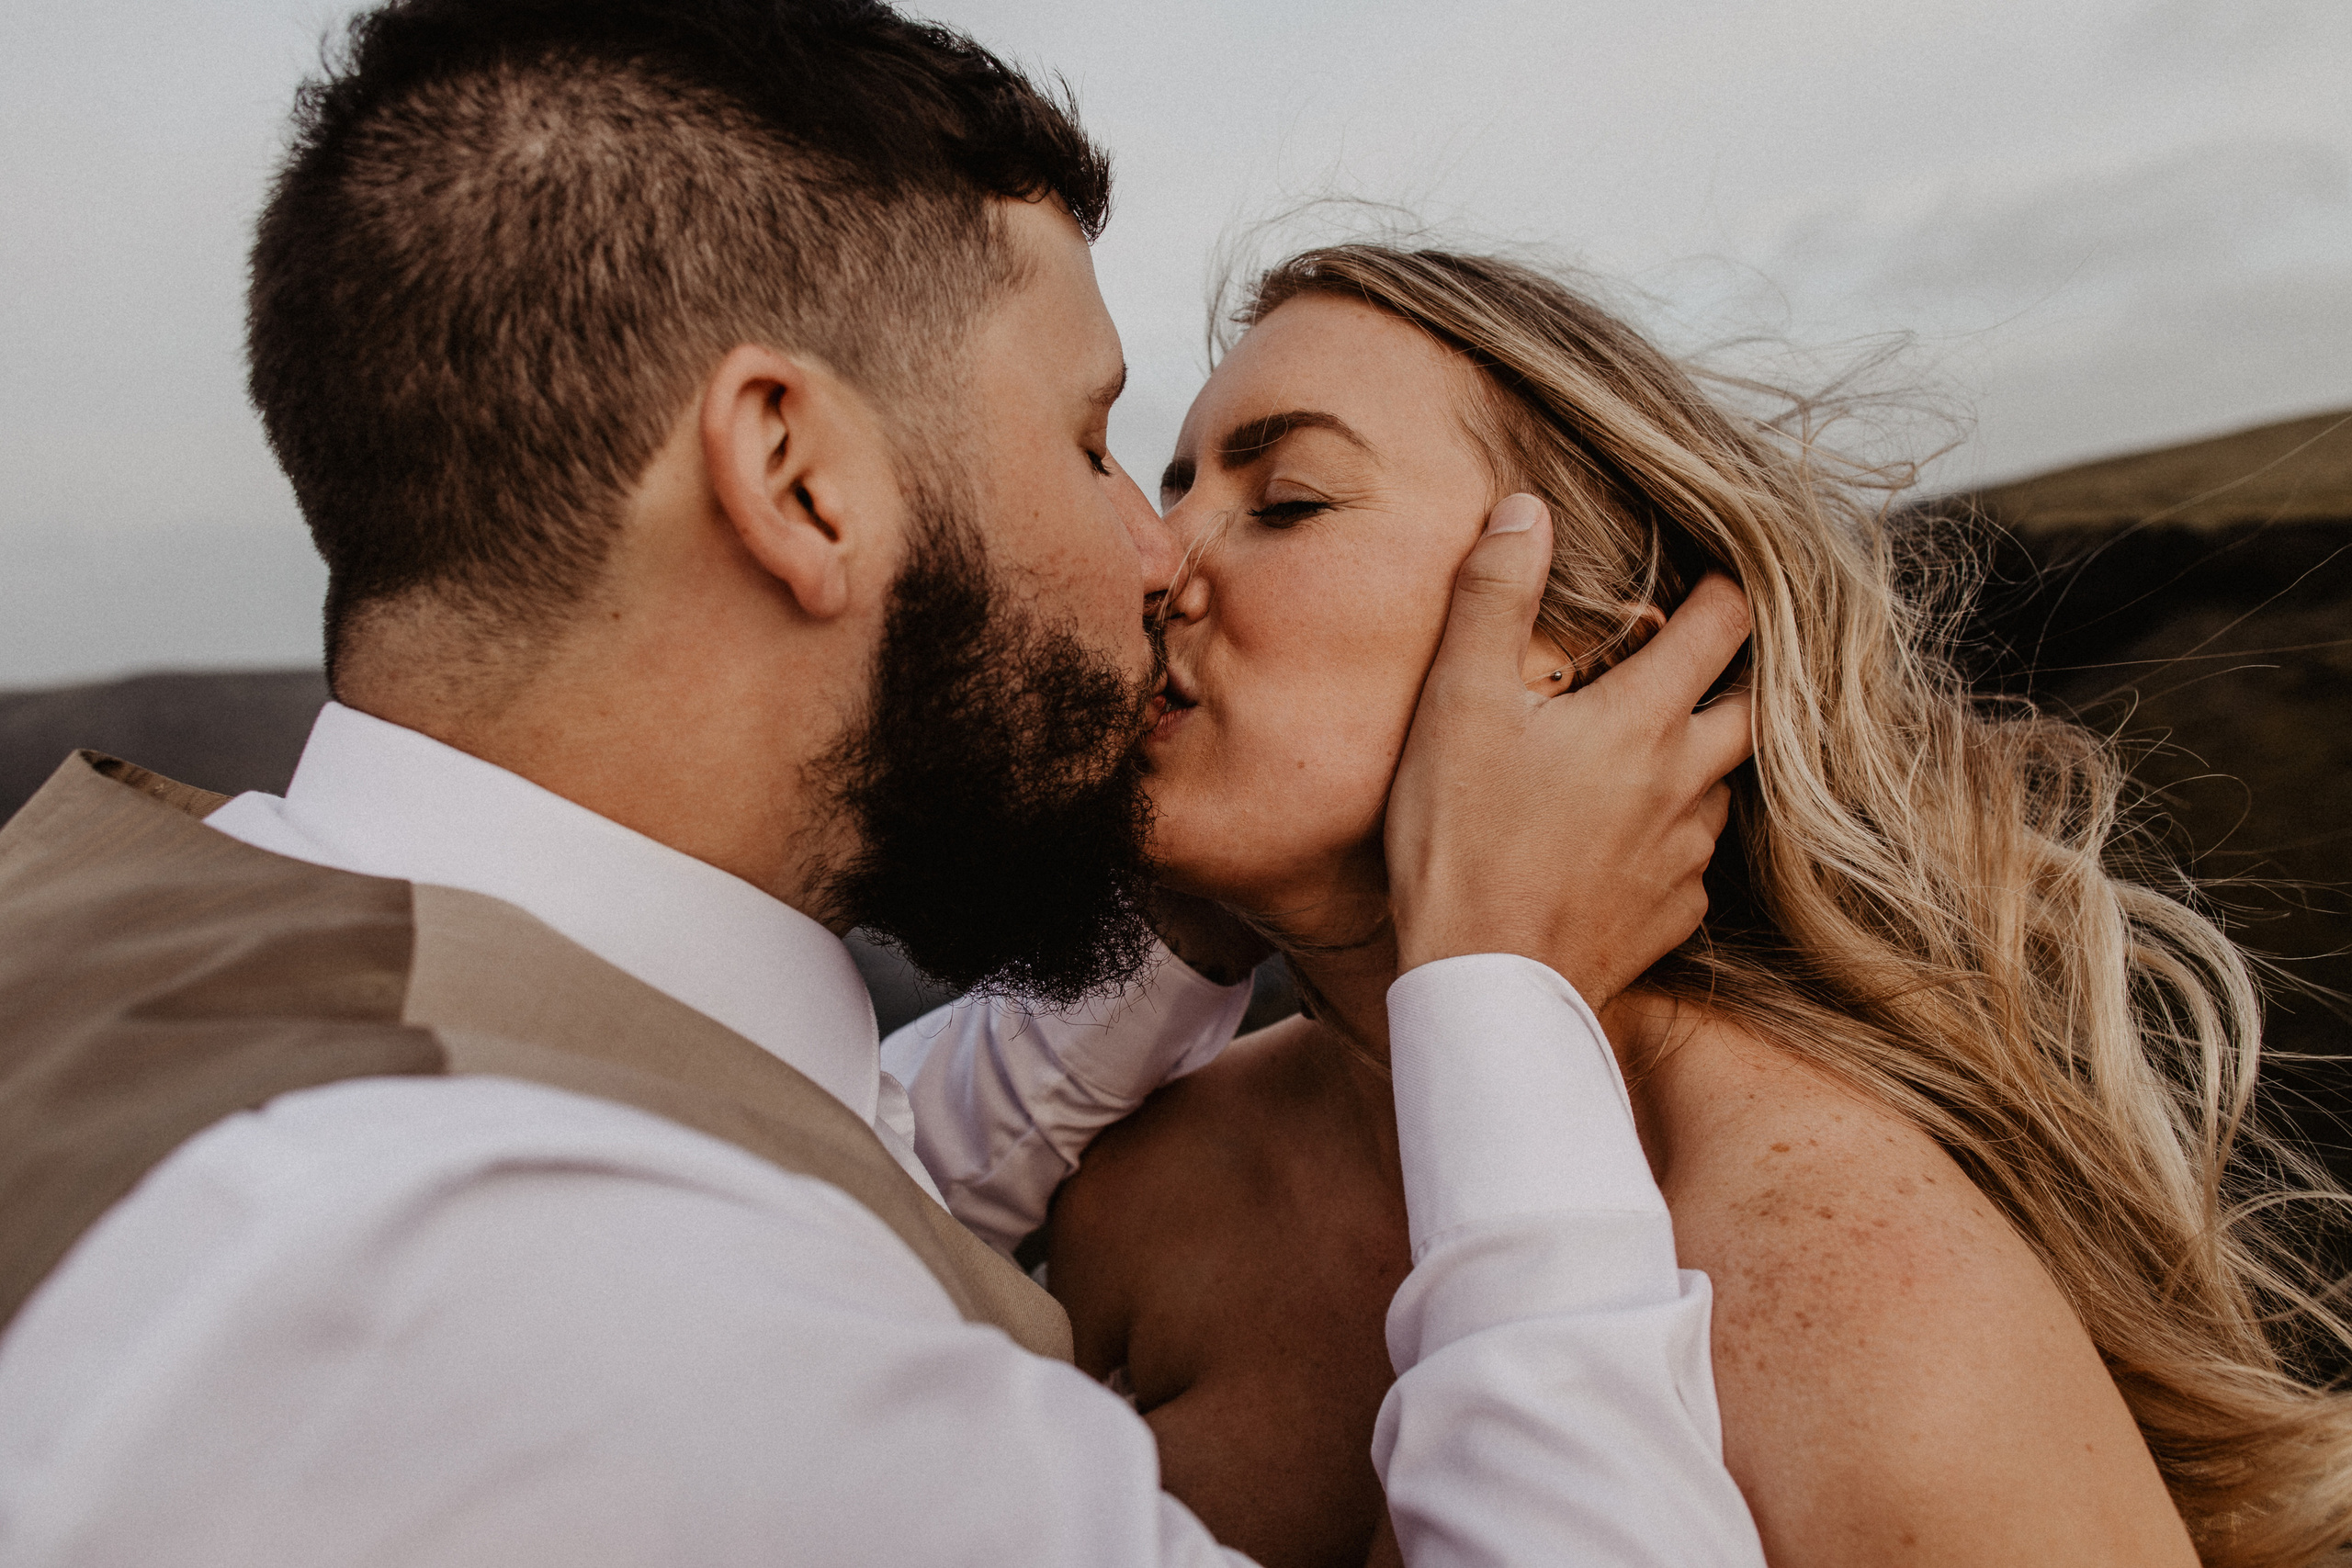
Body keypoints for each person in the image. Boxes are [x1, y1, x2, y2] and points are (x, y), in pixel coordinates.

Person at [0, 6, 1767, 1565]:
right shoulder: (577, 1310)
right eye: (1091, 446)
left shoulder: (149, 926)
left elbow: (797, 1144)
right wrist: (1497, 991)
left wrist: (1174, 930)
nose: (1155, 556)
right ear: (796, 478)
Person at [1027, 244, 2352, 1568]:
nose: (1153, 563)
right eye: (1173, 485)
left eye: (1292, 499)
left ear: (1586, 653)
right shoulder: (1138, 1194)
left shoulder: (1860, 1298)